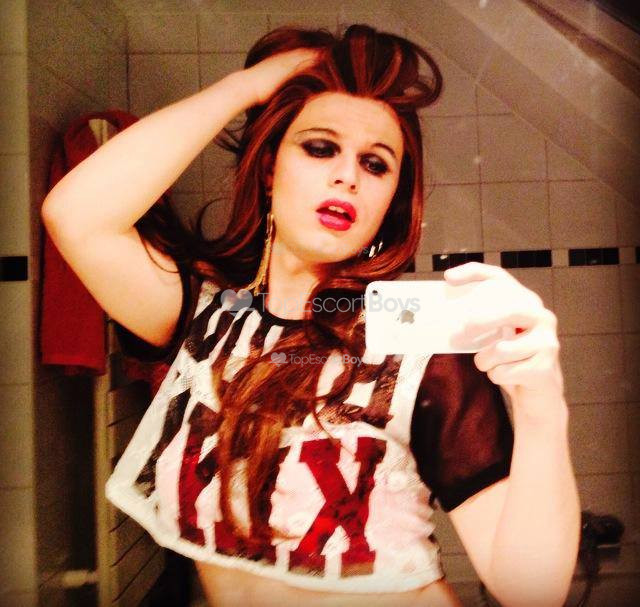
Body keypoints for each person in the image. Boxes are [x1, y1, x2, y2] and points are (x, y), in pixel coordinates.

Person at [42, 24, 580, 607]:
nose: (348, 175)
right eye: (320, 148)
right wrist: (246, 88)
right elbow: (76, 215)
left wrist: (542, 404)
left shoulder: (415, 338)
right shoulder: (209, 319)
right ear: (269, 169)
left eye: (375, 164)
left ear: (390, 201)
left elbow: (532, 592)